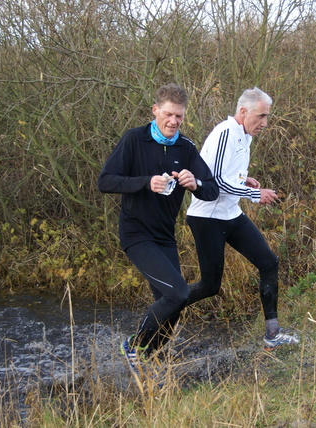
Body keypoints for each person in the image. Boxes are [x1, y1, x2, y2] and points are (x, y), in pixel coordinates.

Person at [97, 84, 219, 374]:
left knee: (174, 307)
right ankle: (134, 347)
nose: (173, 121)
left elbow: (212, 191)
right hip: (137, 234)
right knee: (178, 292)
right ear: (155, 111)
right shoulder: (134, 140)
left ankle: (147, 358)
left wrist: (196, 184)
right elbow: (105, 181)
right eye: (168, 114)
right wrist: (144, 182)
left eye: (179, 116)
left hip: (165, 236)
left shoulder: (186, 148)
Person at [186, 87, 299, 350]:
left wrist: (242, 179)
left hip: (230, 214)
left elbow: (223, 172)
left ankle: (272, 334)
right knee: (209, 286)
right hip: (208, 218)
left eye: (267, 117)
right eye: (261, 116)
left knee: (269, 262)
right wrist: (253, 193)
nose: (265, 123)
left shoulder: (243, 136)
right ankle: (166, 303)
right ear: (243, 111)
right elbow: (213, 183)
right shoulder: (226, 132)